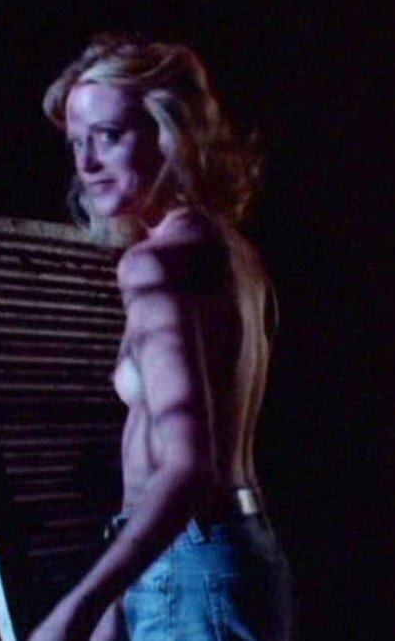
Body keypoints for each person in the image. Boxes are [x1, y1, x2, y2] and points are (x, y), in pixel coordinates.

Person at [28, 33, 294, 641]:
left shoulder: (156, 265)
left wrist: (79, 606)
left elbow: (190, 467)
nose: (87, 163)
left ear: (170, 135)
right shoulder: (233, 253)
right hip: (218, 560)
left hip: (193, 568)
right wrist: (118, 609)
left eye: (108, 135)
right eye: (76, 143)